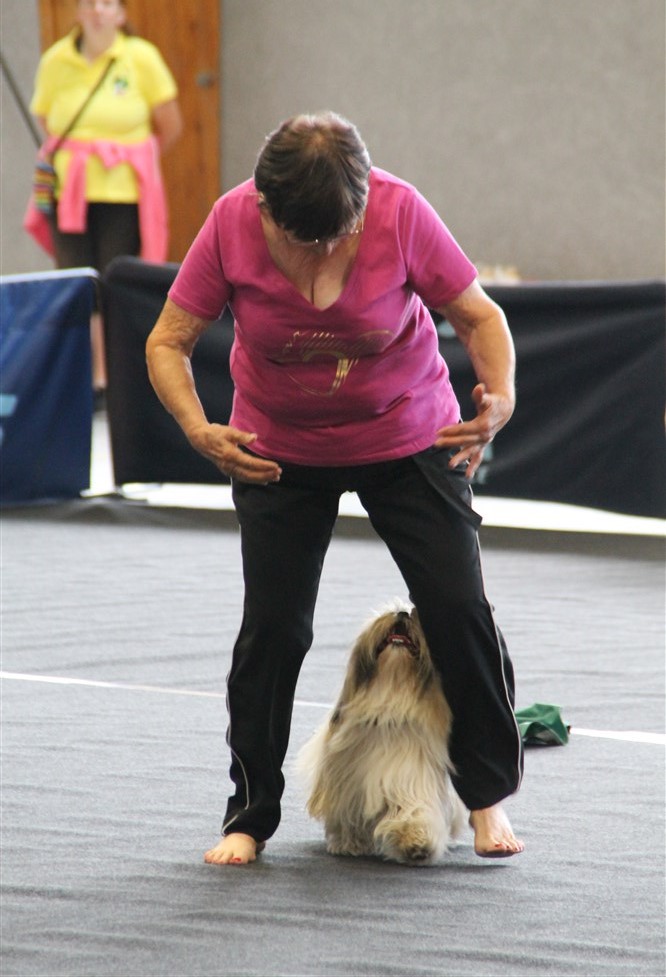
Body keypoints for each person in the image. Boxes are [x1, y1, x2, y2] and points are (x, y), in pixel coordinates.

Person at [146, 112, 525, 866]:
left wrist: (501, 399)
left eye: (337, 236)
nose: (321, 255)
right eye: (303, 239)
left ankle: (485, 794)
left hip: (409, 434)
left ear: (362, 203)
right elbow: (168, 340)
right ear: (264, 206)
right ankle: (249, 813)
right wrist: (197, 427)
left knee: (458, 609)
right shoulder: (229, 223)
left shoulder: (401, 210)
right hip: (278, 450)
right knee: (273, 629)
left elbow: (479, 316)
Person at [25, 0, 182, 402]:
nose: (96, 11)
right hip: (69, 191)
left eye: (106, 3)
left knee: (115, 282)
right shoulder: (56, 59)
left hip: (122, 193)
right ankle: (86, 377)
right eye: (88, 3)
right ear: (77, 12)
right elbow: (47, 120)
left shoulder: (140, 57)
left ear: (121, 14)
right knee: (76, 282)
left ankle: (117, 375)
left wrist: (131, 159)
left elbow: (169, 124)